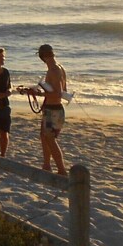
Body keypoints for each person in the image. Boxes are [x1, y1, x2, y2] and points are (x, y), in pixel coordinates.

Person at [32, 44, 68, 175]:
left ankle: (61, 169)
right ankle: (46, 165)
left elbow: (58, 93)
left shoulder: (53, 70)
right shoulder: (61, 68)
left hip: (52, 110)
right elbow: (64, 91)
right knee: (44, 137)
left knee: (50, 139)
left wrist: (41, 94)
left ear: (42, 57)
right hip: (55, 109)